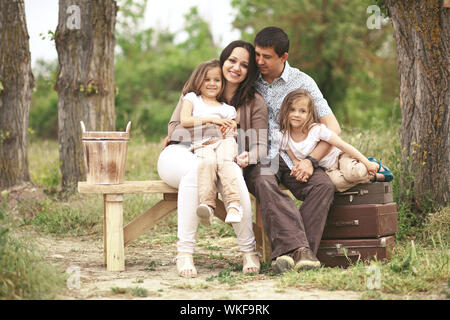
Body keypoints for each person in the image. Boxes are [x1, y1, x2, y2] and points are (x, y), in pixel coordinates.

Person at [157, 41, 268, 278]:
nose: (236, 67)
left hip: (225, 158)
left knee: (234, 174)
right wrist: (215, 129)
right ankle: (185, 252)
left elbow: (258, 141)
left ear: (250, 71)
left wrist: (246, 151)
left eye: (244, 65)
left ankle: (249, 251)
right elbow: (175, 130)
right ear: (224, 60)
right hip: (181, 153)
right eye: (232, 60)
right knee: (196, 171)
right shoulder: (195, 94)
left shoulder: (252, 102)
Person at [243, 26, 340, 273]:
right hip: (262, 156)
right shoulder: (248, 79)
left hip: (295, 155)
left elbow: (333, 128)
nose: (259, 61)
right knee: (265, 182)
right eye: (257, 55)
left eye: (267, 57)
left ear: (283, 57)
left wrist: (310, 161)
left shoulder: (303, 82)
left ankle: (286, 255)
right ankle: (302, 253)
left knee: (323, 186)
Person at [277, 88, 394, 193]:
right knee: (336, 185)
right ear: (286, 112)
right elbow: (288, 151)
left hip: (340, 157)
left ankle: (373, 164)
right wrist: (296, 164)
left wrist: (366, 162)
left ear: (309, 114)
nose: (296, 114)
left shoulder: (316, 130)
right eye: (292, 110)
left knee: (354, 173)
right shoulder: (284, 136)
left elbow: (342, 145)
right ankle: (376, 177)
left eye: (302, 111)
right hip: (327, 168)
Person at [179, 59, 243, 225]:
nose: (212, 83)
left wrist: (230, 127)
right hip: (203, 143)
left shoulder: (227, 109)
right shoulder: (192, 98)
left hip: (224, 142)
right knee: (207, 163)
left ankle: (234, 205)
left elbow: (233, 132)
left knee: (224, 162)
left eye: (217, 80)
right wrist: (213, 121)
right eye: (207, 79)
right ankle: (207, 204)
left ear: (223, 83)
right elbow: (185, 120)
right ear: (199, 81)